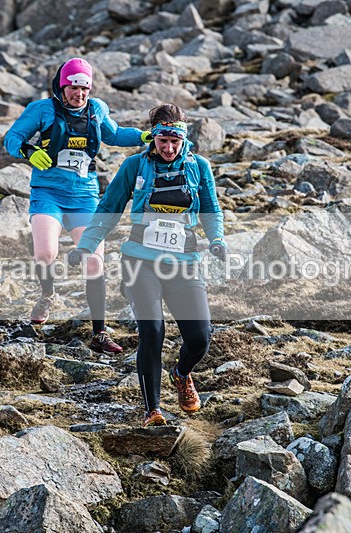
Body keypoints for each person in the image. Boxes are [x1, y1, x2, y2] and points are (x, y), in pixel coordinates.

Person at [72, 103, 227, 427]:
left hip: (184, 262)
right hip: (140, 262)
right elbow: (108, 208)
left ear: (183, 138)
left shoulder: (198, 166)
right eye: (162, 142)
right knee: (152, 331)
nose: (169, 149)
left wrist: (217, 240)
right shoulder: (134, 166)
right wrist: (86, 246)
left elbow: (211, 209)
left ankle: (181, 374)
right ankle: (152, 410)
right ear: (153, 138)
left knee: (200, 337)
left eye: (175, 142)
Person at [4, 57, 148, 354]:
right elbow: (12, 138)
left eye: (84, 88)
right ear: (62, 86)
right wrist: (29, 151)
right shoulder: (41, 110)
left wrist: (143, 136)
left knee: (94, 261)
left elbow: (114, 134)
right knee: (46, 252)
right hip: (48, 193)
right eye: (73, 87)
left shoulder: (96, 110)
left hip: (84, 195)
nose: (79, 94)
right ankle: (47, 294)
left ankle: (100, 333)